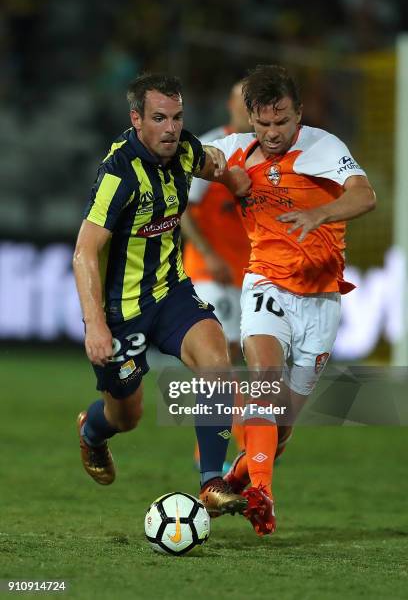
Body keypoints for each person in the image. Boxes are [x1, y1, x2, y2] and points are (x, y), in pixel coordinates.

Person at [207, 64, 376, 535]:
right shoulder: (235, 149)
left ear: (298, 113)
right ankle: (262, 494)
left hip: (321, 299)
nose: (273, 132)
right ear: (250, 119)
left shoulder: (322, 147)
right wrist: (213, 170)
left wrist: (319, 212)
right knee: (263, 379)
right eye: (263, 124)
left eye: (282, 122)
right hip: (266, 284)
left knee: (280, 432)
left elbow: (365, 196)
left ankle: (236, 479)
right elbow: (194, 157)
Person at [72, 73, 251, 517]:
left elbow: (212, 164)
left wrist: (235, 180)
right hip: (122, 311)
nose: (171, 128)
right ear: (136, 120)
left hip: (171, 291)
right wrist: (95, 324)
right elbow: (84, 252)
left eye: (177, 117)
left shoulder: (183, 149)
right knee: (125, 417)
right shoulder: (119, 174)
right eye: (159, 118)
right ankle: (91, 433)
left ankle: (211, 481)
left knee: (216, 361)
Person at [181, 81, 252, 469]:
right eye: (243, 102)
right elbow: (183, 210)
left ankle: (228, 445)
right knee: (220, 359)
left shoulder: (263, 152)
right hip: (209, 271)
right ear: (230, 104)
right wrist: (209, 254)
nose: (248, 110)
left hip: (249, 273)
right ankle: (216, 455)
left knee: (239, 359)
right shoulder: (211, 150)